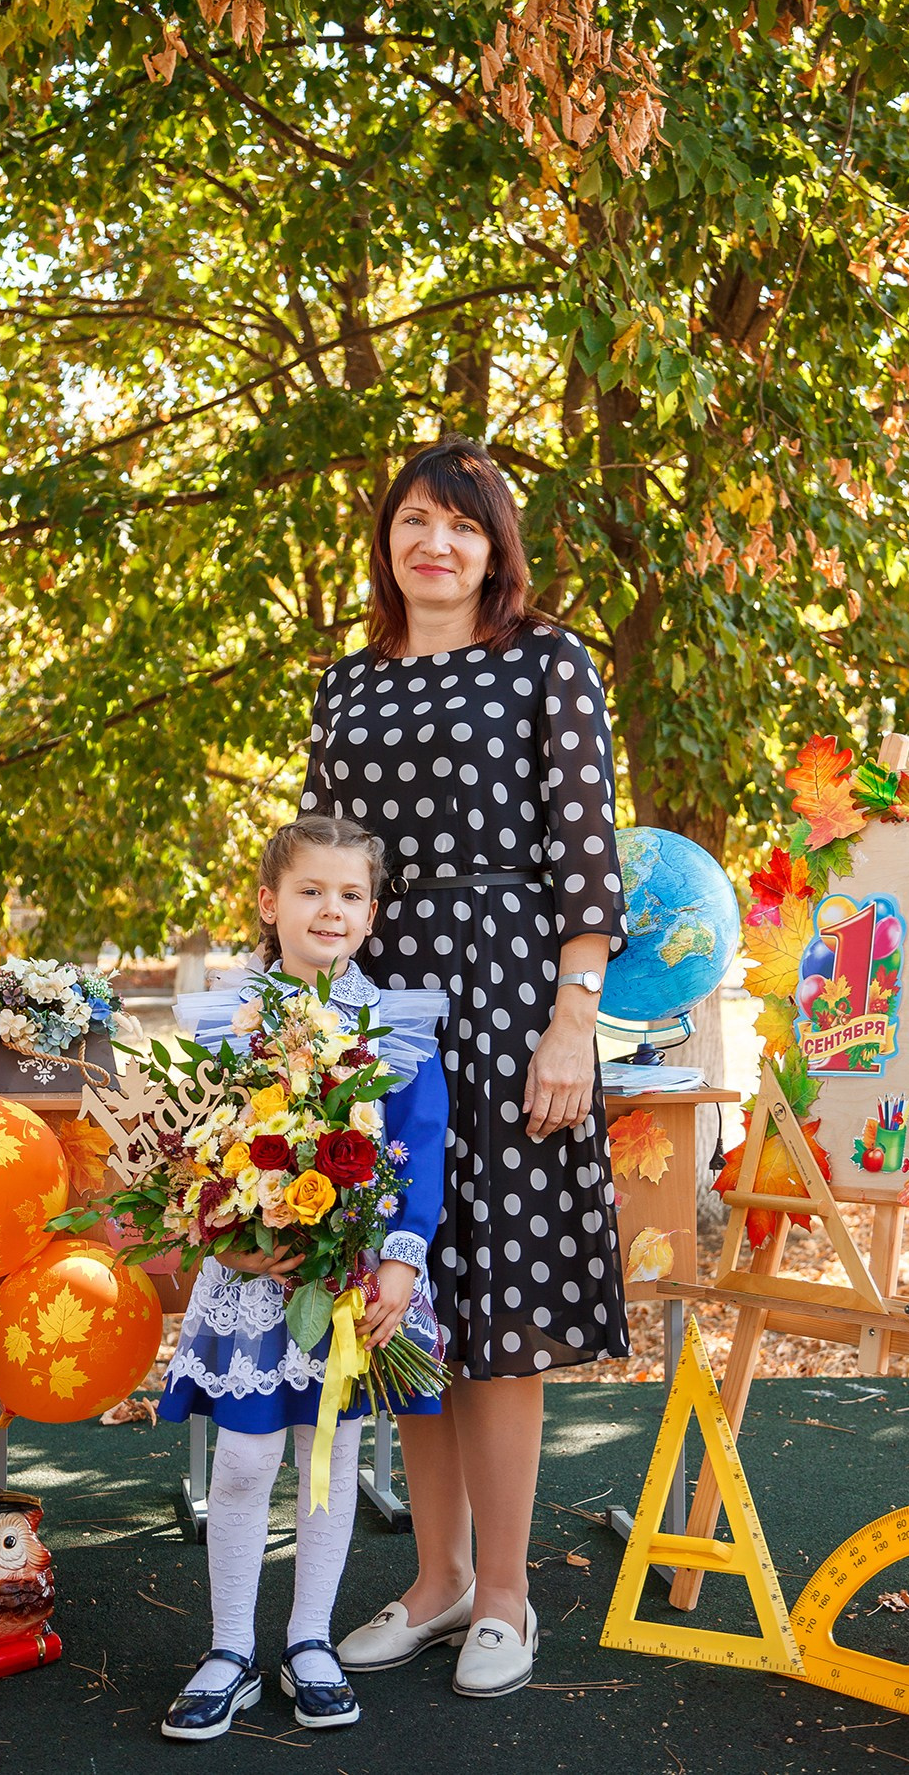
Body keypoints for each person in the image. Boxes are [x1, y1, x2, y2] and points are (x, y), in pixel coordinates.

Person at [300, 435, 628, 1699]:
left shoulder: (544, 662)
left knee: (499, 1311)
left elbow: (583, 851)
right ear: (387, 545)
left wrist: (571, 1017)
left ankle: (505, 1593)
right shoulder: (346, 685)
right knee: (404, 1295)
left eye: (461, 525)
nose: (433, 545)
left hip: (506, 995)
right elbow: (319, 857)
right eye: (412, 524)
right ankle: (432, 1582)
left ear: (495, 550)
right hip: (381, 1007)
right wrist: (306, 1027)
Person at [157, 815, 448, 1740]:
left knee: (329, 1460)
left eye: (351, 894)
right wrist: (224, 1236)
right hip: (255, 1279)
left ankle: (309, 1640)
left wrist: (400, 1260)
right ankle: (229, 1647)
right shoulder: (226, 1022)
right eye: (311, 890)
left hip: (353, 1285)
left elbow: (424, 1147)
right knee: (245, 1460)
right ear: (268, 901)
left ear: (371, 910)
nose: (332, 908)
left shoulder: (393, 1020)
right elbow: (191, 1156)